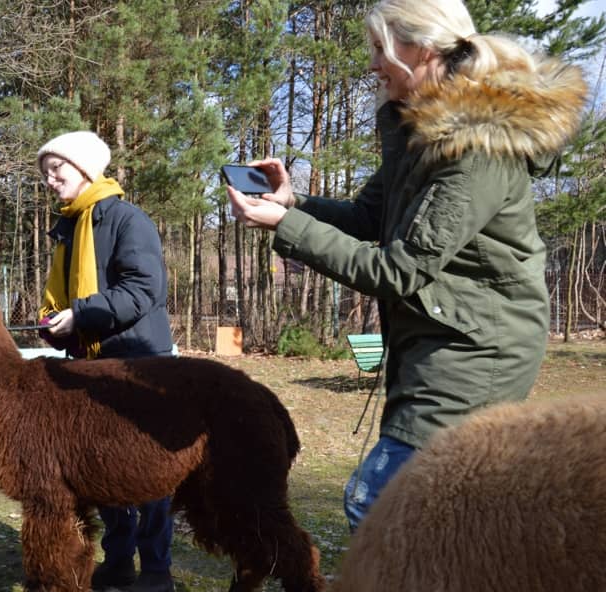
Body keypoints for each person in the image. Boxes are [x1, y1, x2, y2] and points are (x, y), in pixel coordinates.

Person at [227, 0, 587, 531]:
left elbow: (400, 269)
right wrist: (292, 204)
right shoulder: (417, 135)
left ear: (421, 49)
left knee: (380, 502)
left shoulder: (476, 149)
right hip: (434, 335)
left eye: (380, 49)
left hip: (477, 348)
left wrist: (287, 229)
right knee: (437, 514)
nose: (372, 64)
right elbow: (371, 216)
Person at [36, 130, 176, 592]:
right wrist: (60, 326)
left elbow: (144, 291)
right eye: (47, 172)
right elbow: (75, 301)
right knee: (103, 470)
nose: (50, 180)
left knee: (148, 473)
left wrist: (82, 314)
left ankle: (157, 572)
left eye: (58, 170)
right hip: (94, 365)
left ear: (87, 169)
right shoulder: (70, 227)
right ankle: (119, 562)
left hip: (141, 366)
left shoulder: (127, 220)